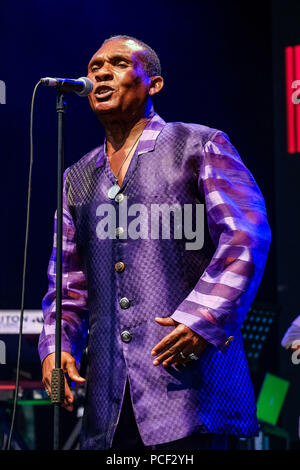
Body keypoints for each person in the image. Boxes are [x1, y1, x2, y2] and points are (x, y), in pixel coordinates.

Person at [38, 35, 271, 450]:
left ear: (154, 84)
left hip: (194, 395)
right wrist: (56, 347)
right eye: (94, 68)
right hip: (109, 406)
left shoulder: (200, 145)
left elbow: (244, 237)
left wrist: (202, 318)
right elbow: (67, 281)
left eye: (119, 63)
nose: (101, 73)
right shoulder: (76, 177)